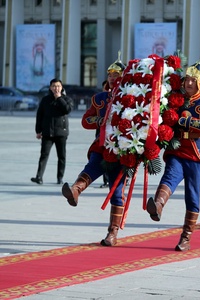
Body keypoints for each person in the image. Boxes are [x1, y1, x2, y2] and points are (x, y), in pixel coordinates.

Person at [146, 53, 200, 251]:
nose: (188, 83)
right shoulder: (175, 99)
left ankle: (186, 236)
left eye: (192, 80)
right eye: (186, 79)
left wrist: (187, 122)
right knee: (169, 176)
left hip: (197, 152)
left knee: (192, 195)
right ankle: (158, 205)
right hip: (178, 149)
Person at [61, 54, 127, 246]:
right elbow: (85, 120)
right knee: (92, 166)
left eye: (117, 74)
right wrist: (99, 120)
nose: (113, 78)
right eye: (111, 74)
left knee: (116, 191)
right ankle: (75, 190)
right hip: (101, 144)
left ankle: (112, 233)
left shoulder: (132, 99)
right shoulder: (99, 99)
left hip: (123, 150)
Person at [31, 78, 74, 185]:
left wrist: (59, 98)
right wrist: (38, 130)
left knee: (62, 156)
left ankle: (60, 178)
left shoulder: (66, 99)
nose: (56, 88)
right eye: (54, 86)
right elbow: (39, 115)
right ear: (50, 88)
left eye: (58, 86)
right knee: (44, 155)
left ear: (61, 87)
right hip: (47, 132)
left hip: (61, 132)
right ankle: (39, 177)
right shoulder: (45, 100)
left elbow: (67, 110)